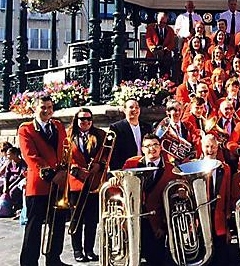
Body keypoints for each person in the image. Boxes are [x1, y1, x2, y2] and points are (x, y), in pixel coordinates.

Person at [18, 95, 69, 266]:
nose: (46, 110)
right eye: (42, 107)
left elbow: (65, 150)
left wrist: (63, 172)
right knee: (34, 226)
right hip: (39, 184)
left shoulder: (58, 126)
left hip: (59, 183)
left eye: (49, 107)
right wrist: (51, 175)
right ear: (34, 108)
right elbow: (30, 156)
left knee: (58, 223)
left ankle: (54, 259)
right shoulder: (26, 129)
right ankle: (29, 262)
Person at [122, 133, 174, 266]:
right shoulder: (131, 163)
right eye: (148, 146)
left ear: (161, 147)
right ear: (142, 149)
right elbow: (121, 187)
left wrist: (163, 226)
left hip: (157, 223)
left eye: (155, 145)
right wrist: (114, 181)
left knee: (156, 259)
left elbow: (173, 202)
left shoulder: (170, 168)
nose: (152, 149)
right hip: (134, 220)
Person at [67, 108, 106, 262]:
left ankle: (89, 250)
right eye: (82, 119)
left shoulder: (101, 135)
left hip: (94, 182)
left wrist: (100, 166)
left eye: (89, 119)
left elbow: (106, 154)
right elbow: (63, 156)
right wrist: (75, 170)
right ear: (76, 120)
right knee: (76, 219)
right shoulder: (68, 135)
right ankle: (77, 250)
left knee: (91, 220)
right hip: (76, 182)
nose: (86, 122)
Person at [109, 99, 152, 171]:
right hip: (126, 168)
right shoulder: (116, 128)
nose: (134, 109)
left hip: (145, 166)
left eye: (137, 107)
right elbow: (113, 153)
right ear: (124, 110)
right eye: (131, 107)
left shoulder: (147, 127)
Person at [145, 11, 177, 79]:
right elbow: (148, 40)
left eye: (164, 22)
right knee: (151, 75)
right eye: (160, 22)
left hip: (165, 56)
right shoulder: (150, 28)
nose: (162, 24)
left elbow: (172, 42)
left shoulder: (170, 30)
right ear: (157, 20)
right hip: (152, 55)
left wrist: (166, 49)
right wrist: (153, 48)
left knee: (165, 75)